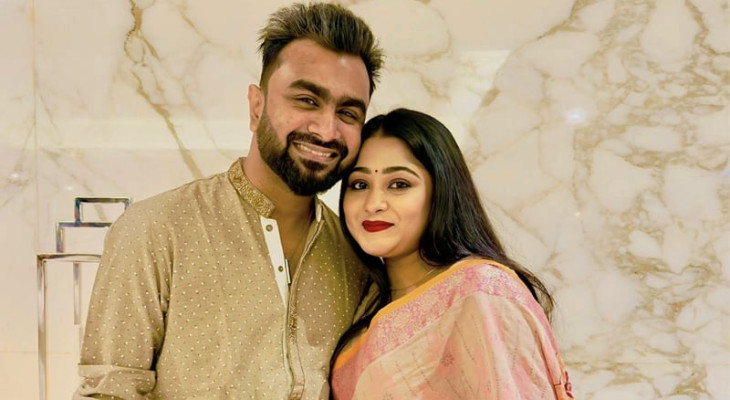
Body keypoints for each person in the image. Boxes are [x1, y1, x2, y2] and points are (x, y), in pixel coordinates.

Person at [74, 3, 384, 399]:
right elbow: (109, 392)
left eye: (348, 113)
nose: (327, 130)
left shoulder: (358, 260)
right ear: (256, 107)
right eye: (307, 100)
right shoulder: (156, 231)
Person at [330, 108, 575, 399]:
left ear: (441, 191)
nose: (373, 203)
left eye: (399, 185)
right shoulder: (362, 305)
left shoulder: (479, 293)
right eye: (359, 185)